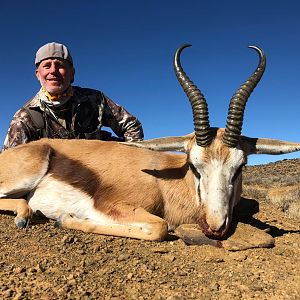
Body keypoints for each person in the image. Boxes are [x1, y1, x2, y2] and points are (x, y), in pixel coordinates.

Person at [2, 42, 144, 150]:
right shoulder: (25, 118)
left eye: (60, 65)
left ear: (72, 73)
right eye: (47, 66)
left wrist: (128, 163)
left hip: (103, 176)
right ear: (38, 75)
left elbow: (131, 126)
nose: (53, 71)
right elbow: (11, 164)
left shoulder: (96, 99)